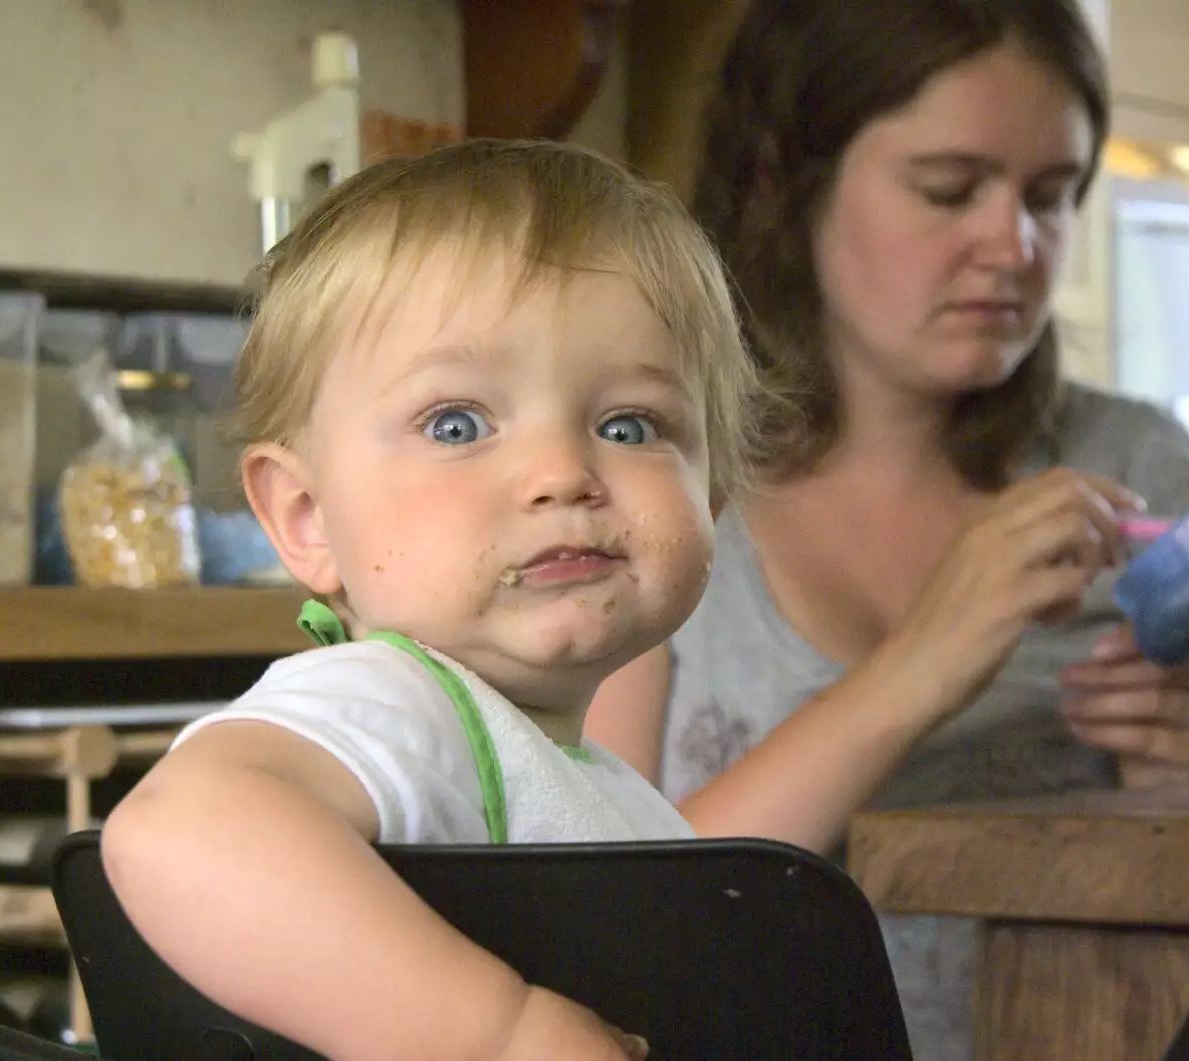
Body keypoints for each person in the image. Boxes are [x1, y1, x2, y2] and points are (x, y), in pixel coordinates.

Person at [584, 1, 1189, 1057]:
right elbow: (607, 905)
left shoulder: (1143, 467)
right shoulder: (652, 476)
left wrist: (1179, 781)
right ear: (782, 180)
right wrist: (926, 661)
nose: (1011, 244)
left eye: (1051, 197)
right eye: (948, 190)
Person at [100, 139, 767, 1061]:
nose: (562, 473)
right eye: (457, 424)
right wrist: (491, 1033)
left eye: (629, 425)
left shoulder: (618, 801)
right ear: (307, 517)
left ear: (711, 501)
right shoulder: (400, 702)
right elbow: (178, 832)